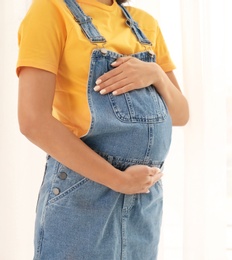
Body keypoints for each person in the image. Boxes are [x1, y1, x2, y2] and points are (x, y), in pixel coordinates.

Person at [16, 0, 189, 258]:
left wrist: (156, 73)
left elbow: (180, 114)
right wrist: (119, 180)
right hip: (83, 194)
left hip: (143, 199)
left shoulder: (145, 24)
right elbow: (33, 121)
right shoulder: (50, 9)